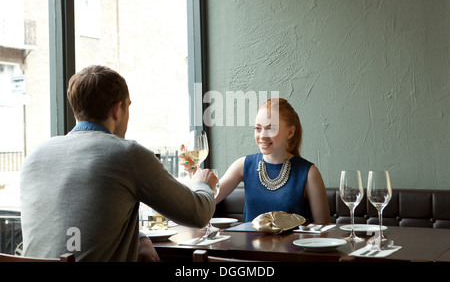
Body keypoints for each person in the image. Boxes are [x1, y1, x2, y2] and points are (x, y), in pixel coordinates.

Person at [20, 65, 217, 262]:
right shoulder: (127, 154)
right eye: (128, 107)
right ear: (117, 109)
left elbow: (69, 221)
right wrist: (203, 183)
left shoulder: (34, 156)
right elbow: (198, 215)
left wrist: (139, 237)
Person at [184, 98, 330, 223]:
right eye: (258, 128)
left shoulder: (310, 173)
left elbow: (323, 230)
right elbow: (204, 202)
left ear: (290, 132)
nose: (262, 136)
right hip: (249, 254)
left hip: (291, 255)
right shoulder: (242, 165)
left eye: (271, 128)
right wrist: (193, 172)